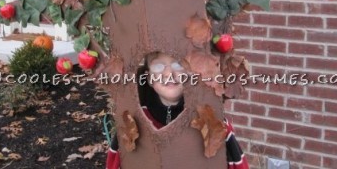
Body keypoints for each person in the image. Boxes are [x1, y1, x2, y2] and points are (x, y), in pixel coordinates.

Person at [106, 52, 249, 169]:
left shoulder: (211, 120)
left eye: (177, 64)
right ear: (149, 78)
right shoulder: (135, 121)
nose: (169, 73)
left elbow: (236, 163)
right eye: (159, 66)